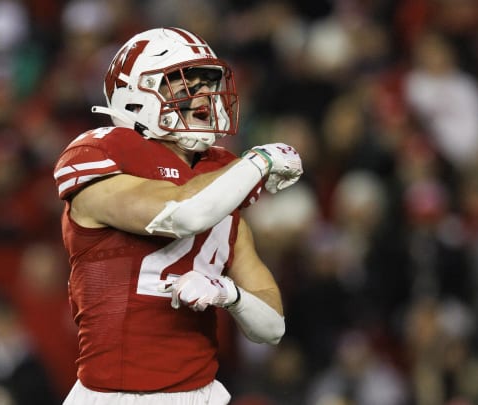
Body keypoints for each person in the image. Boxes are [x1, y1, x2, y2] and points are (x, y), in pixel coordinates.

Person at [53, 27, 303, 405]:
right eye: (186, 82)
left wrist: (228, 293)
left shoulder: (219, 180)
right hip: (114, 396)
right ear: (137, 96)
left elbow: (272, 328)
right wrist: (261, 161)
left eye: (209, 83)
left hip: (202, 394)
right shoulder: (105, 155)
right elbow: (183, 212)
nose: (204, 95)